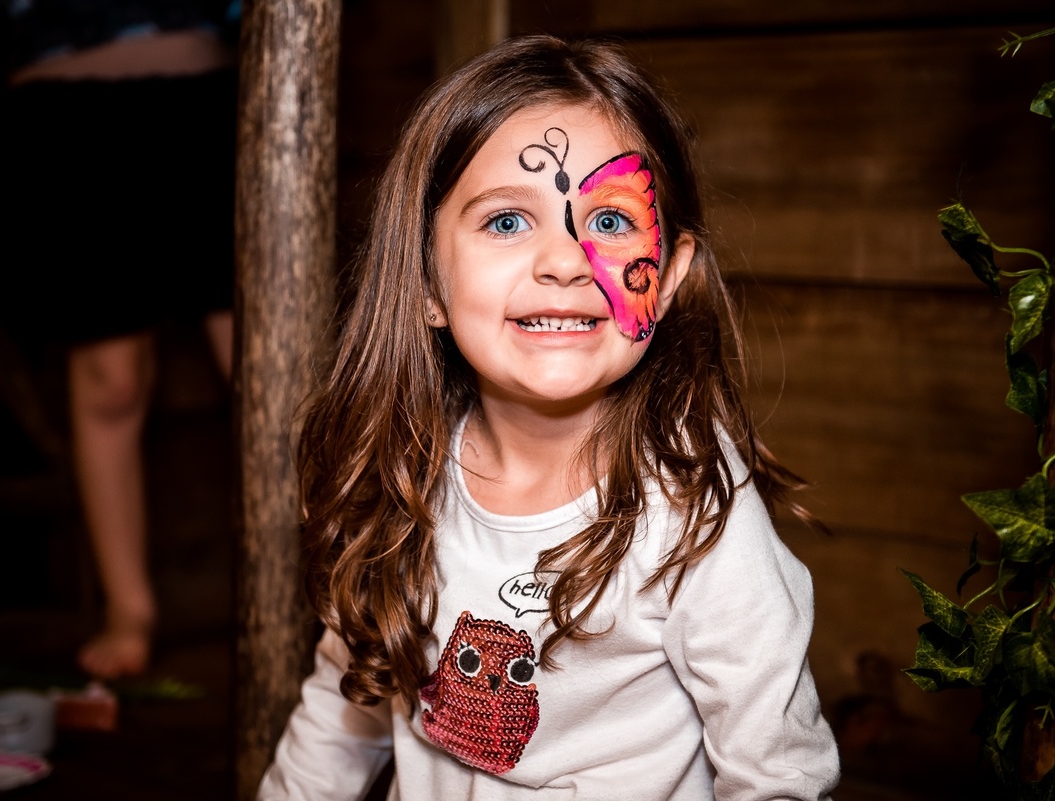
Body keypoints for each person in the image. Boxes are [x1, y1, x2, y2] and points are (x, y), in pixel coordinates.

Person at [258, 35, 840, 800]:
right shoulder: (399, 479)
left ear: (665, 280)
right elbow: (343, 713)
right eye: (506, 222)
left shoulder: (698, 517)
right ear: (426, 282)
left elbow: (781, 777)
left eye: (608, 222)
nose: (564, 262)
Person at [0, 0, 239, 679]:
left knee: (259, 362)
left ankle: (320, 589)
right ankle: (129, 607)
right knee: (112, 374)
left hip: (202, 90)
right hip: (65, 109)